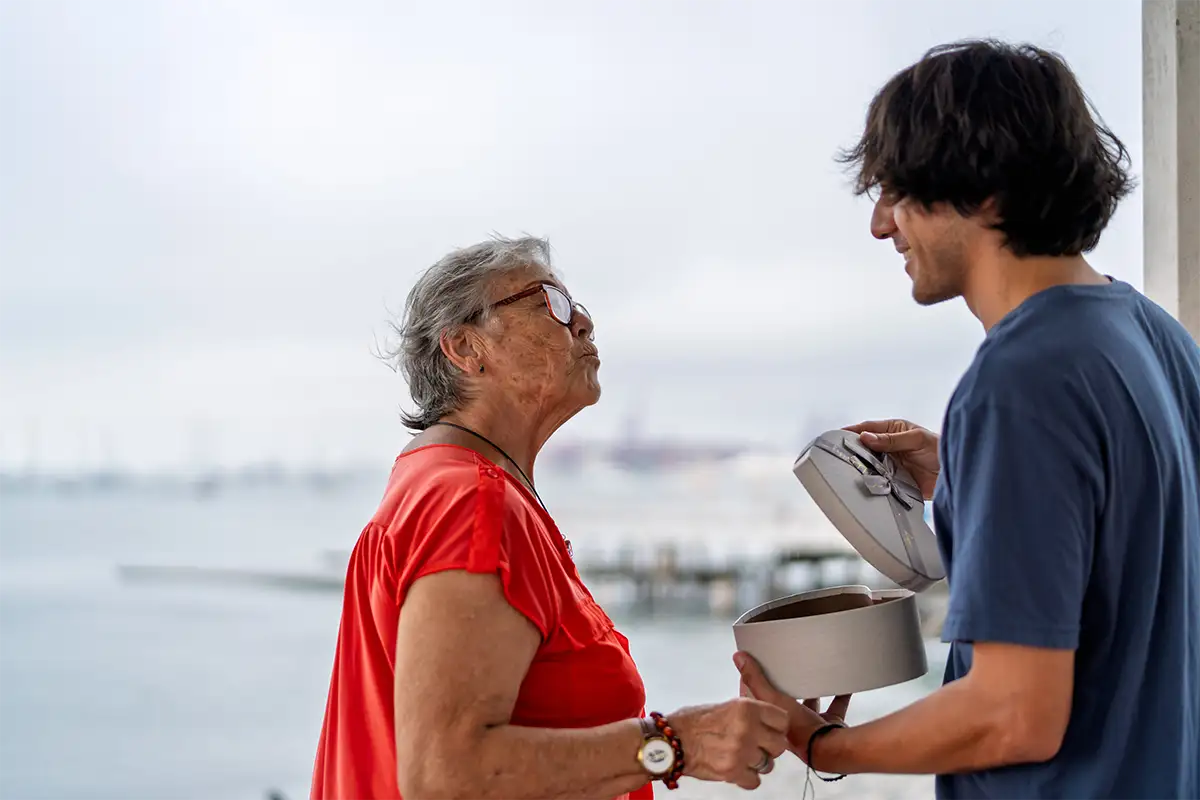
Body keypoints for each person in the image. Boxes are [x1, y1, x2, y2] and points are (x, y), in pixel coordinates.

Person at [736, 39, 1200, 798]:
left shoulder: (1019, 381)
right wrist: (968, 478)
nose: (882, 226)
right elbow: (1136, 552)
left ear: (982, 193)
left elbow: (1014, 713)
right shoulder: (1153, 338)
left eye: (896, 191)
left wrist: (823, 741)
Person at [310, 236, 789, 800]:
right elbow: (447, 776)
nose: (583, 322)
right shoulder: (469, 500)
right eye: (551, 304)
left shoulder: (451, 485)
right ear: (465, 348)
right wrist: (675, 743)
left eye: (577, 306)